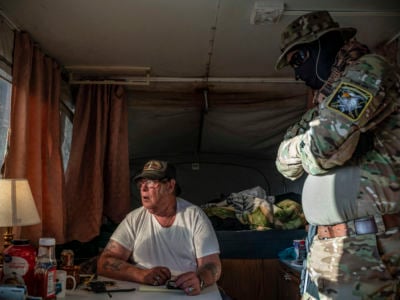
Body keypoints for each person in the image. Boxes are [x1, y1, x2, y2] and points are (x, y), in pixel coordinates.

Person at [275, 11, 400, 300]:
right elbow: (283, 163)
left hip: (367, 249)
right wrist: (309, 146)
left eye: (299, 60)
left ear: (324, 45)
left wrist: (306, 147)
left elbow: (321, 148)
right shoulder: (325, 102)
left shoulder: (368, 71)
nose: (297, 74)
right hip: (329, 248)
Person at [97, 159, 222, 296]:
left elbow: (212, 265)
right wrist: (142, 275)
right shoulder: (134, 219)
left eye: (151, 182)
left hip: (184, 293)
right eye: (141, 183)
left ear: (170, 186)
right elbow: (104, 262)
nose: (143, 188)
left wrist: (199, 280)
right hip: (141, 293)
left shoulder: (194, 216)